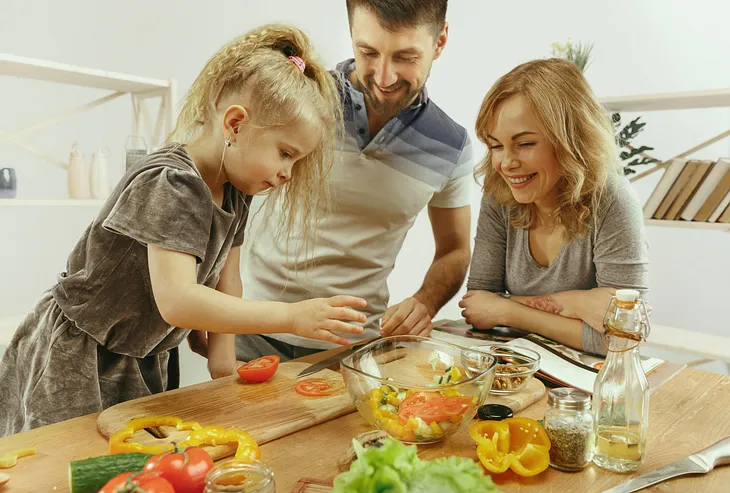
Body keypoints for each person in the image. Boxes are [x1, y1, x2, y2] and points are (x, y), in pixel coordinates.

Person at [0, 24, 368, 436]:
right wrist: (291, 317)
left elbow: (229, 284)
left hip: (143, 356)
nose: (287, 173)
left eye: (296, 161)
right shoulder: (173, 184)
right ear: (234, 125)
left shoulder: (235, 193)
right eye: (285, 154)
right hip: (78, 357)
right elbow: (178, 299)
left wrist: (224, 366)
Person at [232, 0, 474, 363]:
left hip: (355, 350)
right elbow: (225, 197)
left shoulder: (452, 147)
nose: (384, 77)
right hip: (252, 332)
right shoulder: (300, 101)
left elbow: (455, 250)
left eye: (406, 57)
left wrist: (425, 301)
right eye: (368, 52)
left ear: (440, 41)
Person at [459, 58, 649, 356]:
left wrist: (508, 311)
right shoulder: (499, 194)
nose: (506, 163)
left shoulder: (612, 199)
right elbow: (478, 305)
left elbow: (625, 337)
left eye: (524, 144)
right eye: (496, 146)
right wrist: (576, 304)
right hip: (517, 370)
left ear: (571, 139)